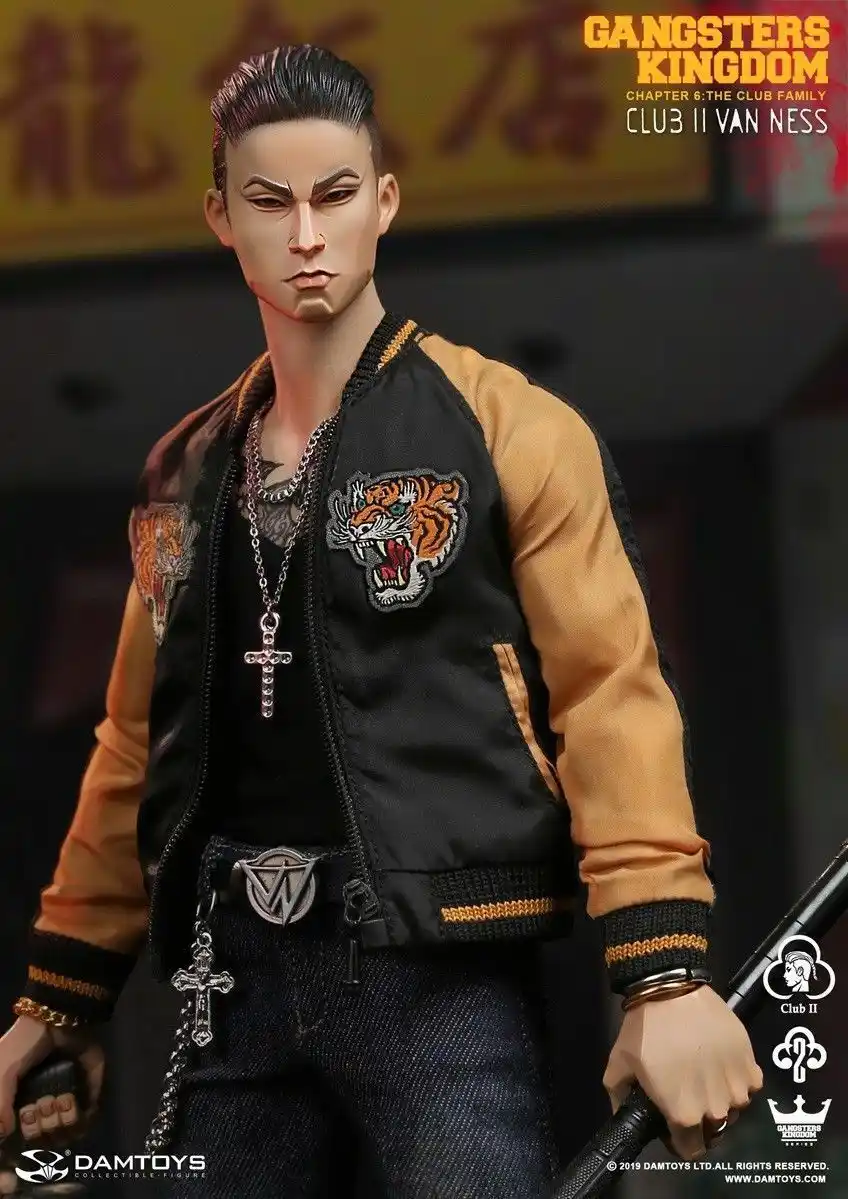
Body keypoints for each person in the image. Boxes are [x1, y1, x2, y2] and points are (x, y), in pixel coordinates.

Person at [0, 44, 762, 1199]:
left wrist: (661, 969)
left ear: (385, 201)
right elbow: (136, 746)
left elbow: (608, 693)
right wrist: (60, 997)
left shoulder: (506, 429)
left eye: (336, 194)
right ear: (220, 217)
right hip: (227, 975)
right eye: (271, 201)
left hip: (438, 966)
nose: (306, 234)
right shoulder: (185, 471)